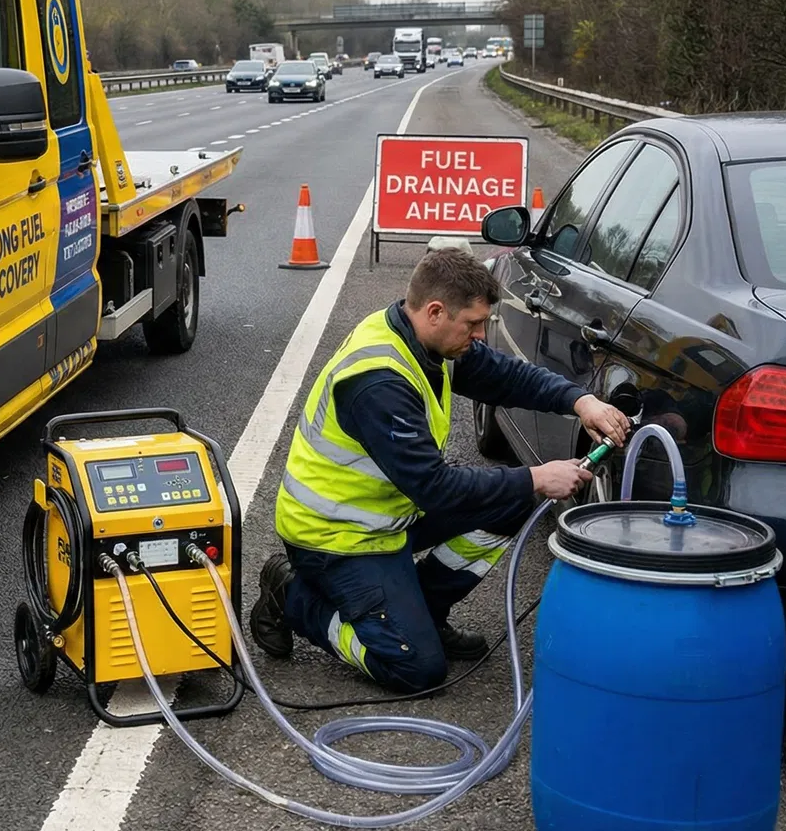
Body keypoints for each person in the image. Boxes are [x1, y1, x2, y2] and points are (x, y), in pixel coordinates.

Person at [250, 248, 632, 693]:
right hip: (337, 536)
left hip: (390, 514)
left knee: (510, 501)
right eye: (473, 324)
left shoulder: (429, 341)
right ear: (435, 312)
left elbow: (506, 376)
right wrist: (535, 477)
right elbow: (435, 488)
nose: (481, 334)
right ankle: (293, 595)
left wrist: (580, 401)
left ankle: (424, 613)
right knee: (416, 670)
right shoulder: (379, 381)